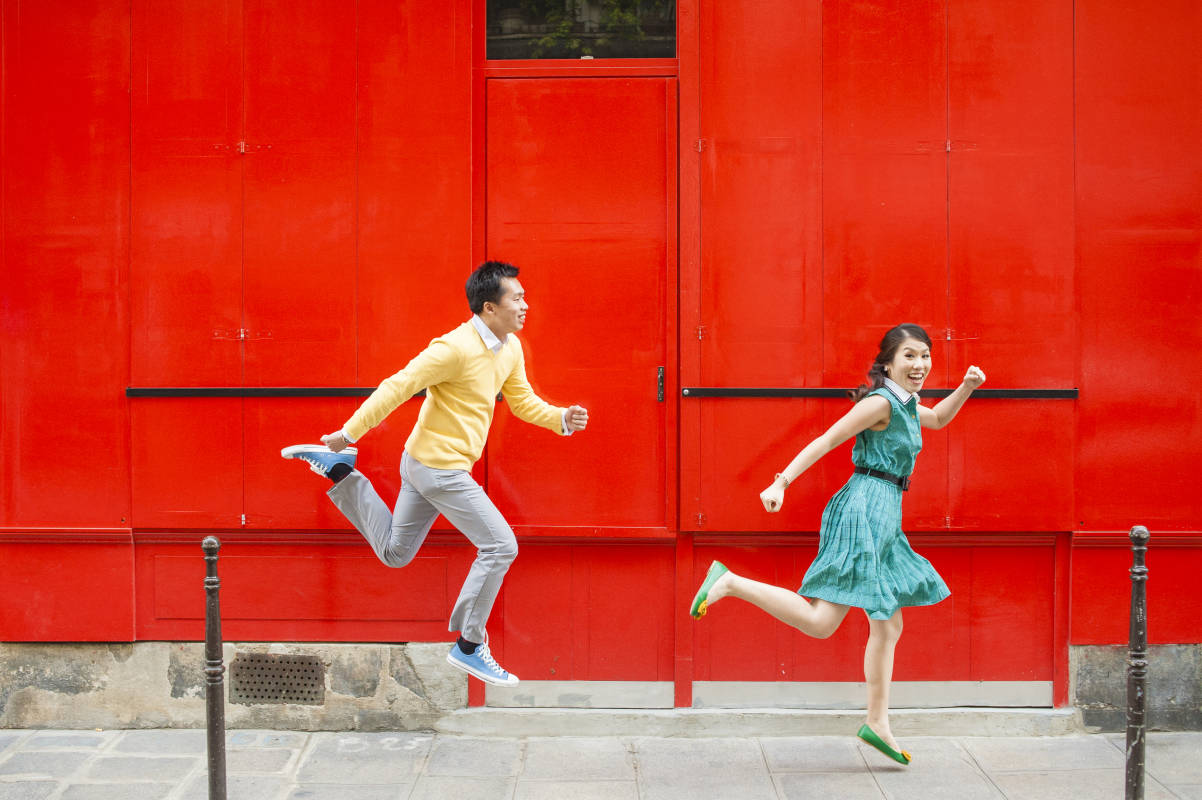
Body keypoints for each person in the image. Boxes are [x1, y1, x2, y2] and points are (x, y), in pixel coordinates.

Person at [689, 323, 985, 764]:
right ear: (888, 362)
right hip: (864, 508)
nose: (919, 364)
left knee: (888, 625)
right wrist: (781, 482)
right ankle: (730, 582)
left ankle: (878, 723)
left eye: (924, 355)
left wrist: (966, 386)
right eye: (909, 356)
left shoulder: (907, 405)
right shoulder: (881, 403)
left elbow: (939, 418)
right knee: (822, 622)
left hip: (885, 513)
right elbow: (826, 440)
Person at [282, 261, 588, 687]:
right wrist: (347, 433)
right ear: (488, 307)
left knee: (395, 552)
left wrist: (560, 418)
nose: (525, 305)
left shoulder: (509, 347)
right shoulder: (453, 348)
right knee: (501, 546)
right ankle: (469, 646)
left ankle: (342, 475)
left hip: (420, 463)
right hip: (441, 470)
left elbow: (521, 402)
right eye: (516, 298)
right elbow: (398, 386)